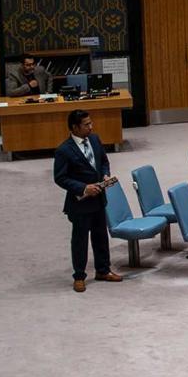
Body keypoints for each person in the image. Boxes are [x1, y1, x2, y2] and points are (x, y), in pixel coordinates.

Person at [52, 109, 120, 293]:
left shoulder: (95, 140)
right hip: (80, 203)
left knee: (101, 236)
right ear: (75, 127)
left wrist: (105, 174)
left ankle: (103, 270)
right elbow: (60, 178)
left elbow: (103, 161)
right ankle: (79, 276)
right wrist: (83, 188)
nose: (91, 127)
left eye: (91, 123)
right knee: (80, 240)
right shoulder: (64, 150)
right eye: (87, 124)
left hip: (99, 198)